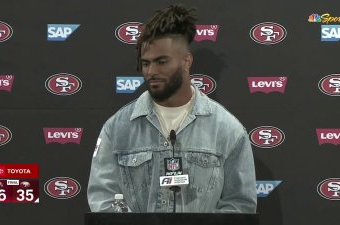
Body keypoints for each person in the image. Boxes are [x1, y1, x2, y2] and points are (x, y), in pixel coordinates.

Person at [87, 4, 257, 213]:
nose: (151, 71)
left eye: (161, 62)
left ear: (186, 61)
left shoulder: (228, 130)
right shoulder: (116, 129)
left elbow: (240, 206)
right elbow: (103, 201)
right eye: (146, 63)